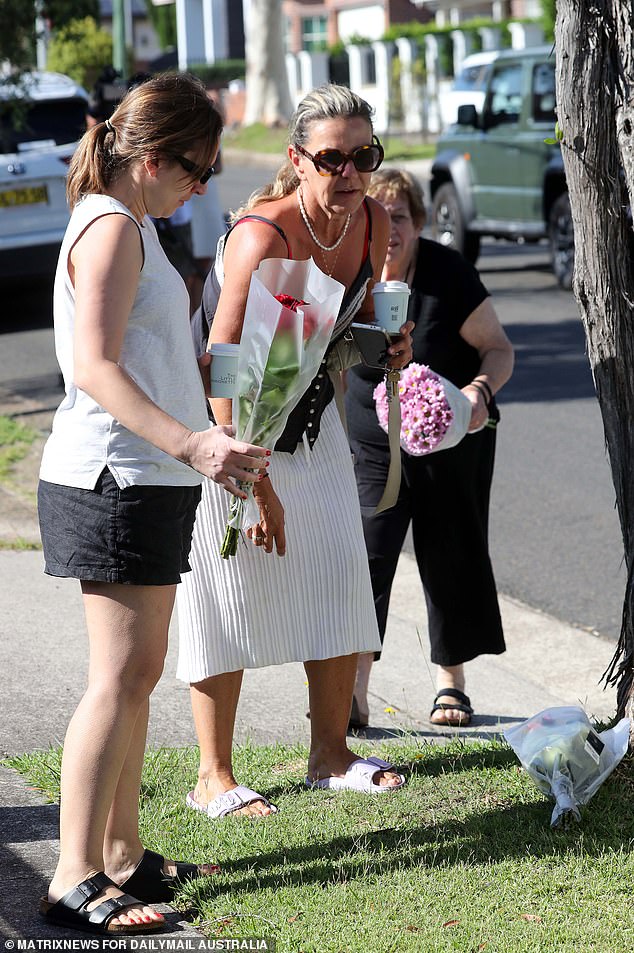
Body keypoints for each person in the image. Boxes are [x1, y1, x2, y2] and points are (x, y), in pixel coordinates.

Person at [36, 73, 269, 934]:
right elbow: (93, 366)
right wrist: (195, 442)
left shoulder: (131, 221)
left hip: (145, 478)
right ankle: (72, 875)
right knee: (118, 679)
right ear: (152, 156)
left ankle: (124, 855)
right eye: (199, 167)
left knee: (136, 676)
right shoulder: (110, 227)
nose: (203, 186)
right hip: (113, 478)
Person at [176, 84, 413, 819]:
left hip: (310, 417)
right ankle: (213, 774)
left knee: (342, 569)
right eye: (332, 158)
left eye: (363, 156)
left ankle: (330, 753)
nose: (349, 173)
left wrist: (390, 341)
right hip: (224, 424)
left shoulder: (373, 221)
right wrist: (249, 480)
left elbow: (360, 316)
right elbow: (224, 362)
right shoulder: (263, 233)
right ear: (297, 160)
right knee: (227, 588)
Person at [344, 167, 514, 729]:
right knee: (368, 558)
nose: (389, 227)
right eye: (379, 215)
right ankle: (355, 689)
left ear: (418, 222)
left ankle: (451, 681)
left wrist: (478, 392)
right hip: (371, 441)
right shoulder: (352, 272)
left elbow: (498, 349)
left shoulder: (447, 273)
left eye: (399, 216)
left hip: (450, 435)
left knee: (450, 551)